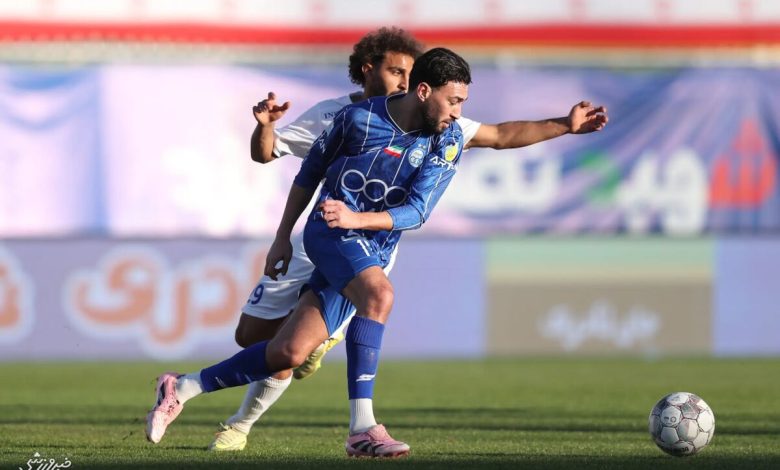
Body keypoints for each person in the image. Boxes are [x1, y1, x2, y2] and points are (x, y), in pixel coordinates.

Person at [207, 27, 608, 454]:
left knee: (306, 339)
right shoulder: (336, 114)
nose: (405, 81)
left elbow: (500, 136)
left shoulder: (436, 120)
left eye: (410, 74)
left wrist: (564, 125)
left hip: (363, 246)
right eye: (396, 71)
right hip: (316, 238)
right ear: (368, 69)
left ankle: (243, 424)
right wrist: (267, 129)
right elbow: (268, 152)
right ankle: (279, 358)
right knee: (252, 336)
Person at [145, 46, 474, 457]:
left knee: (290, 352)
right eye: (454, 101)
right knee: (379, 295)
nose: (458, 112)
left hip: (369, 243)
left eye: (462, 102)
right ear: (424, 91)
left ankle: (182, 387)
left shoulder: (448, 139)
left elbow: (418, 211)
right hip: (329, 231)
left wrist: (359, 219)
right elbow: (309, 174)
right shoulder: (357, 118)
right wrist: (283, 236)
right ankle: (362, 428)